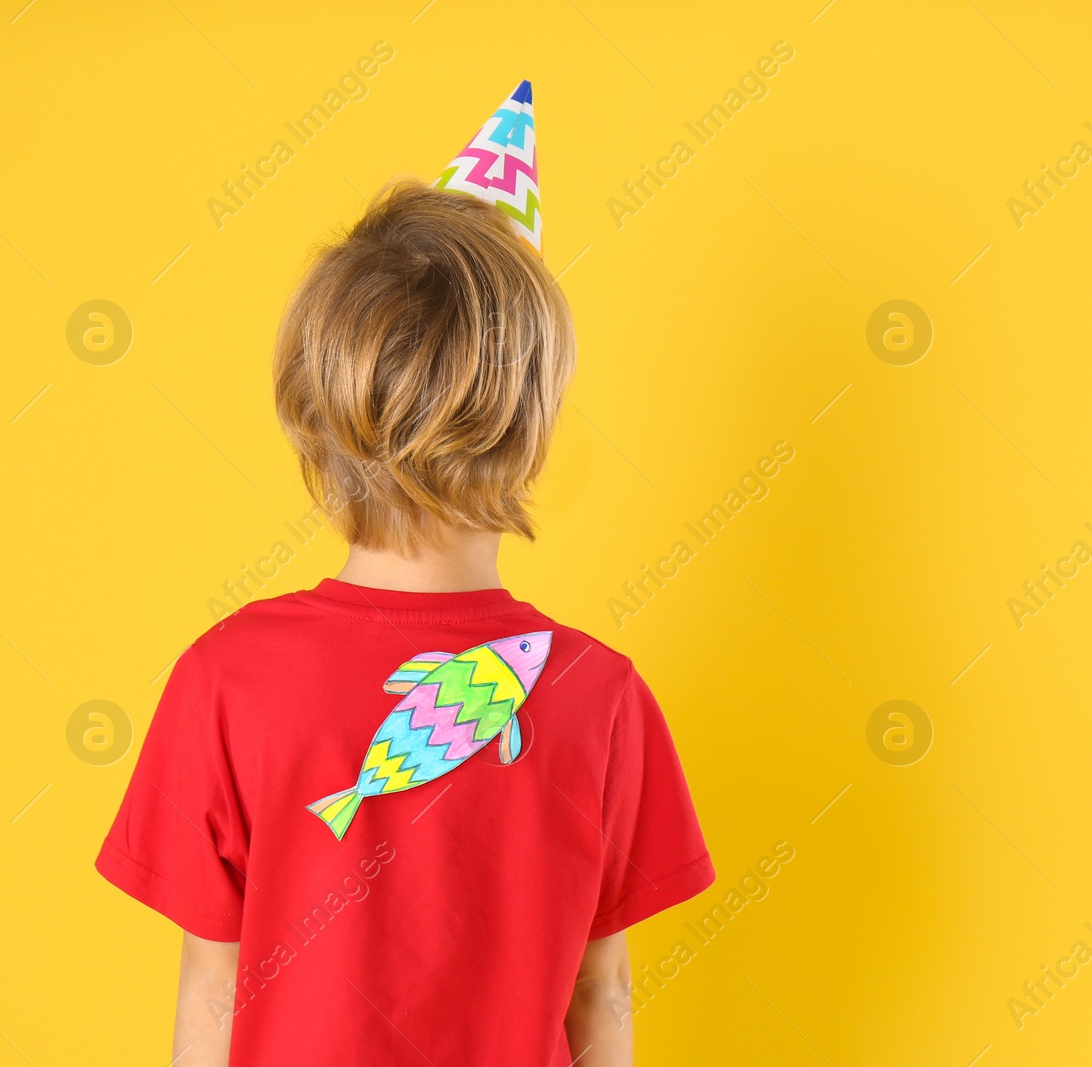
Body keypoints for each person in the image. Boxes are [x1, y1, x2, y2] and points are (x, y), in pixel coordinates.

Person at [95, 82, 713, 1066]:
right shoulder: (600, 696)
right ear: (534, 424)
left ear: (313, 407)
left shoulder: (225, 676)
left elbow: (212, 984)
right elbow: (604, 994)